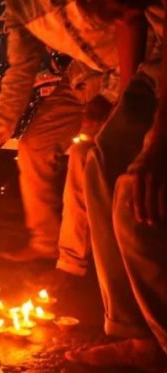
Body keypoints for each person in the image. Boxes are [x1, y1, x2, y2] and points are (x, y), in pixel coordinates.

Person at [0, 0, 120, 274]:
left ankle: (71, 265)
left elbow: (137, 28)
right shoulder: (20, 10)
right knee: (33, 147)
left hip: (132, 69)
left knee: (84, 154)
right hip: (81, 75)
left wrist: (110, 95)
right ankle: (44, 241)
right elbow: (19, 75)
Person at [63, 0, 167, 370]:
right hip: (157, 68)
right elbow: (130, 18)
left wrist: (155, 145)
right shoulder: (130, 8)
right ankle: (137, 337)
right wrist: (126, 107)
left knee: (132, 198)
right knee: (101, 161)